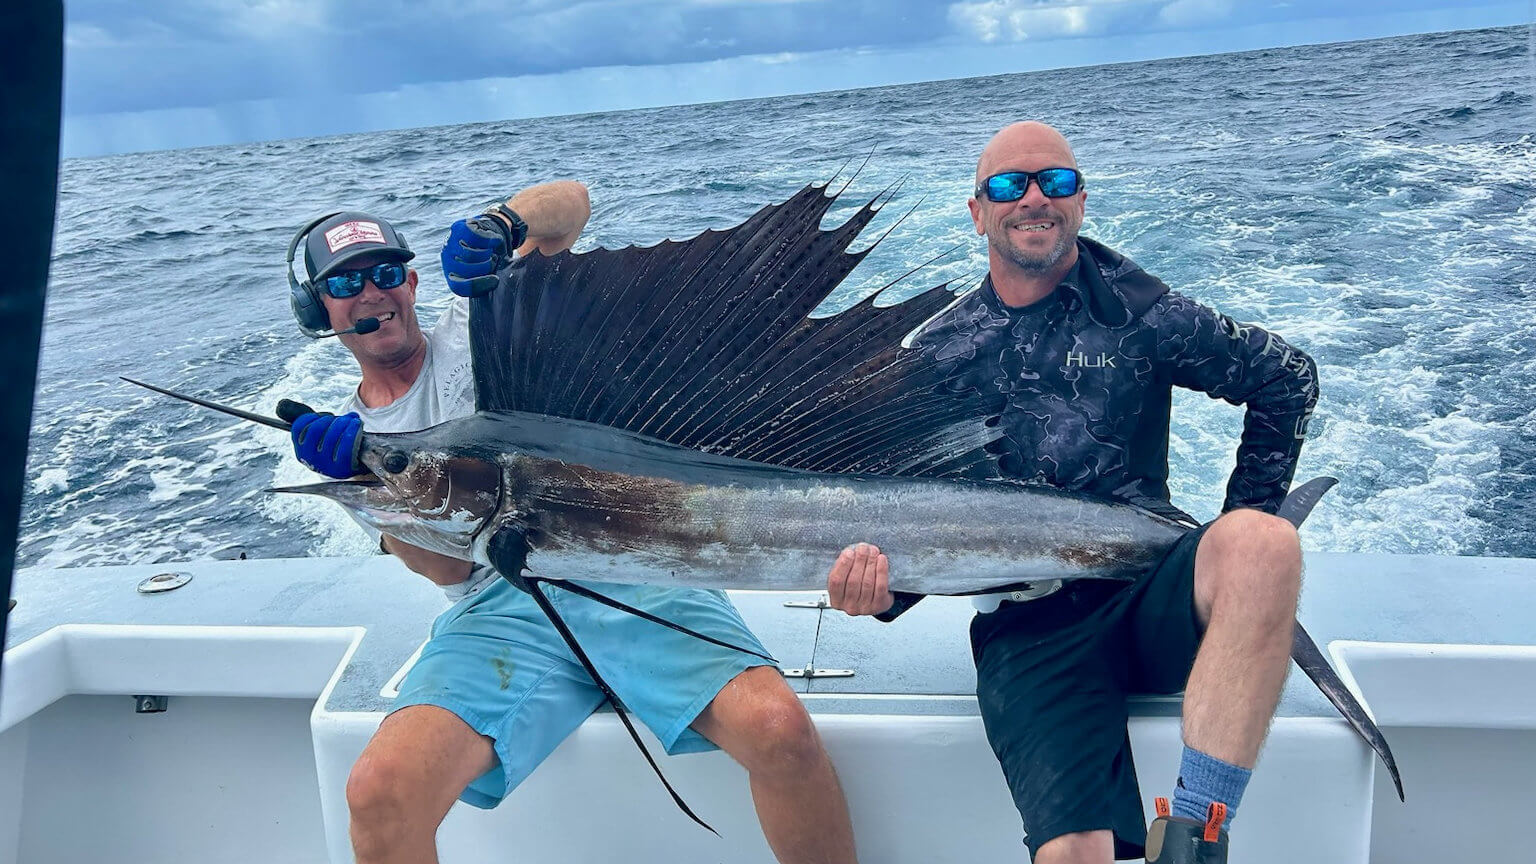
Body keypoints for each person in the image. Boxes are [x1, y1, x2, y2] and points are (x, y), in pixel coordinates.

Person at [284, 181, 859, 864]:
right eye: (347, 283)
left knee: (778, 728)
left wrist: (503, 224)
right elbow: (447, 566)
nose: (372, 294)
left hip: (631, 564)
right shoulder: (353, 444)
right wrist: (358, 481)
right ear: (321, 309)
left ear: (410, 283)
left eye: (385, 274)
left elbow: (570, 208)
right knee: (377, 791)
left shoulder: (480, 327)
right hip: (499, 606)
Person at [825, 122, 1318, 864]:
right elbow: (925, 521)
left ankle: (1195, 837)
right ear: (977, 212)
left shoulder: (1140, 310)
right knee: (1072, 855)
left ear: (1080, 200)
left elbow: (1286, 376)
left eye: (1054, 182)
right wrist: (881, 592)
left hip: (1150, 594)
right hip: (1032, 628)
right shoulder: (938, 356)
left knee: (1264, 541)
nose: (1033, 199)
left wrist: (1233, 546)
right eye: (1008, 185)